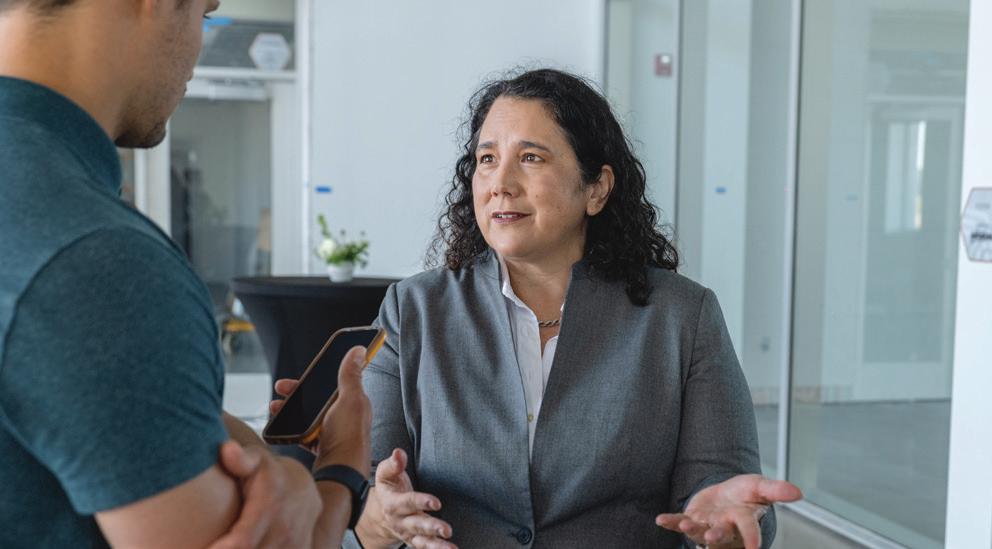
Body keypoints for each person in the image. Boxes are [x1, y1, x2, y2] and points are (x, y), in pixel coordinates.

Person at [336, 68, 802, 548]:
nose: (501, 183)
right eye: (487, 159)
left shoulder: (682, 316)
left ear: (596, 188)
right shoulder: (413, 310)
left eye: (531, 158)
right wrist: (377, 519)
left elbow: (726, 492)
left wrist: (725, 529)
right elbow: (362, 494)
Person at [0, 1, 371, 547]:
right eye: (204, 13)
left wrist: (258, 457)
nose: (200, 43)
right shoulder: (102, 261)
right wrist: (340, 469)